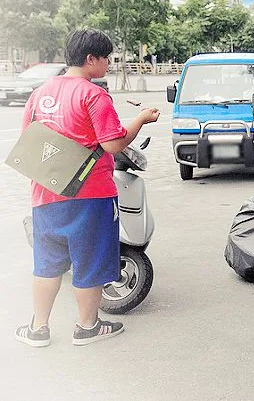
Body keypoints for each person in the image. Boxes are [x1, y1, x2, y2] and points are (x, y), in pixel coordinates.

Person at [15, 29, 160, 348]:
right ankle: (86, 326)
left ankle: (38, 329)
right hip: (90, 195)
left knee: (47, 263)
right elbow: (113, 143)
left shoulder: (41, 93)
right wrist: (141, 120)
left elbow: (29, 140)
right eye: (106, 57)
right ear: (91, 59)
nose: (109, 62)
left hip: (46, 192)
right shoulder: (93, 94)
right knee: (91, 261)